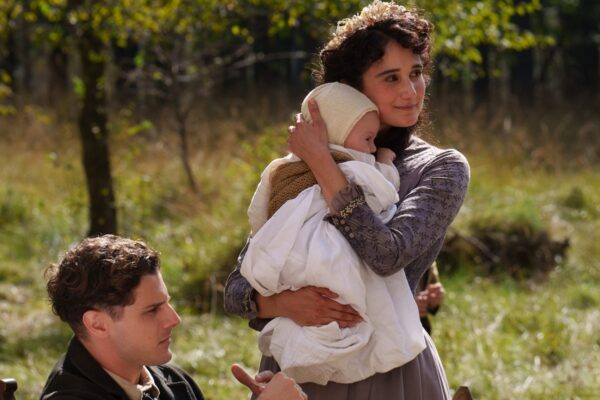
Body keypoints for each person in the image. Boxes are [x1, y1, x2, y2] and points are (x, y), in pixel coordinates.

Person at [225, 1, 470, 399]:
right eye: (390, 77)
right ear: (352, 89)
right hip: (300, 368)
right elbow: (236, 289)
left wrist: (325, 166)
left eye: (416, 73)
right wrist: (283, 304)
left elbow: (387, 255)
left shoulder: (440, 168)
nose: (410, 91)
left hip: (389, 370)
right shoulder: (296, 168)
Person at [241, 82, 425, 385]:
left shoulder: (281, 170)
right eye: (367, 139)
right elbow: (382, 192)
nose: (371, 148)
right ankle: (330, 344)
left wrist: (319, 161)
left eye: (415, 73)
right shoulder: (354, 166)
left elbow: (260, 214)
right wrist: (385, 162)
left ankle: (317, 346)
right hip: (318, 254)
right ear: (338, 133)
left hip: (288, 256)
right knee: (338, 288)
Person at [40, 235, 306, 400]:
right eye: (152, 310)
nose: (174, 319)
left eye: (167, 302)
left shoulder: (174, 383)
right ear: (97, 324)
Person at [415, 262, 445, 335]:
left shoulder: (429, 258)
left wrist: (436, 297)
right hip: (393, 331)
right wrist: (408, 306)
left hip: (421, 329)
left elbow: (433, 282)